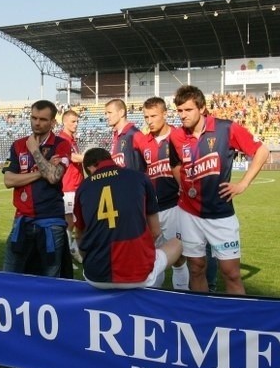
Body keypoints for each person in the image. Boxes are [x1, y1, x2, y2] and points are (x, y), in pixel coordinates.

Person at [168, 85, 270, 295]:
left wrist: (243, 184)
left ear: (202, 108)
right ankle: (202, 313)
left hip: (220, 213)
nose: (183, 116)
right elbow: (175, 164)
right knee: (196, 267)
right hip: (189, 213)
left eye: (188, 110)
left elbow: (262, 150)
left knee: (231, 273)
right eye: (179, 111)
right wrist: (183, 185)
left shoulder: (226, 128)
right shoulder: (176, 136)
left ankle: (238, 320)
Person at [74, 148, 182, 288]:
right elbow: (155, 232)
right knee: (177, 243)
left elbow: (78, 236)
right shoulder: (139, 178)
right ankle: (180, 289)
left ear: (90, 167)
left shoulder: (83, 187)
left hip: (96, 277)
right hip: (138, 275)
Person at [1, 100, 71, 277]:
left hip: (51, 220)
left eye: (42, 119)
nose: (37, 122)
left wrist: (34, 150)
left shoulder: (61, 144)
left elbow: (54, 177)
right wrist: (43, 171)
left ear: (53, 122)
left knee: (50, 276)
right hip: (22, 219)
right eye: (33, 117)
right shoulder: (18, 145)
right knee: (10, 273)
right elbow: (8, 180)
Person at [134, 97, 190, 290]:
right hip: (152, 210)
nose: (149, 121)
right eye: (146, 117)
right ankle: (153, 296)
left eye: (153, 116)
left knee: (179, 256)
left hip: (175, 205)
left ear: (165, 114)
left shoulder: (178, 136)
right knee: (153, 254)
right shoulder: (144, 142)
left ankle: (182, 294)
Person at [59, 109, 84, 263]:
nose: (76, 124)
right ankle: (67, 254)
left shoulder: (72, 140)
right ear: (64, 122)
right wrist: (91, 155)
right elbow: (73, 157)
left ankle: (73, 248)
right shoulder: (63, 139)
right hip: (68, 187)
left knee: (78, 221)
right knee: (69, 222)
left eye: (77, 121)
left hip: (77, 186)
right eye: (73, 121)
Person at [105, 98, 146, 172]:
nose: (106, 116)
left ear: (121, 112)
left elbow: (150, 160)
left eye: (109, 112)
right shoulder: (116, 135)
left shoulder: (134, 134)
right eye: (106, 113)